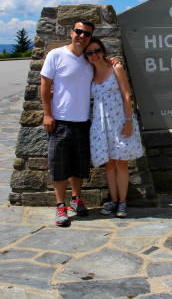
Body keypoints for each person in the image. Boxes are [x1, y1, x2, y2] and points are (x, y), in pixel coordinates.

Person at [40, 19, 95, 227]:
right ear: (71, 32)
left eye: (87, 34)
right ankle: (60, 205)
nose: (82, 36)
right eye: (78, 31)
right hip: (60, 120)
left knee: (79, 166)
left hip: (82, 121)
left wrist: (114, 61)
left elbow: (104, 67)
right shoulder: (56, 55)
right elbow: (45, 84)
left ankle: (76, 199)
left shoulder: (90, 59)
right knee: (60, 166)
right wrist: (47, 114)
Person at [85, 37, 143, 218]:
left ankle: (123, 202)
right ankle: (114, 200)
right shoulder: (89, 74)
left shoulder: (115, 68)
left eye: (97, 51)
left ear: (103, 51)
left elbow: (126, 95)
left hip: (119, 121)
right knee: (108, 164)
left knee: (121, 163)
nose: (94, 55)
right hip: (101, 124)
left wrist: (128, 120)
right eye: (89, 53)